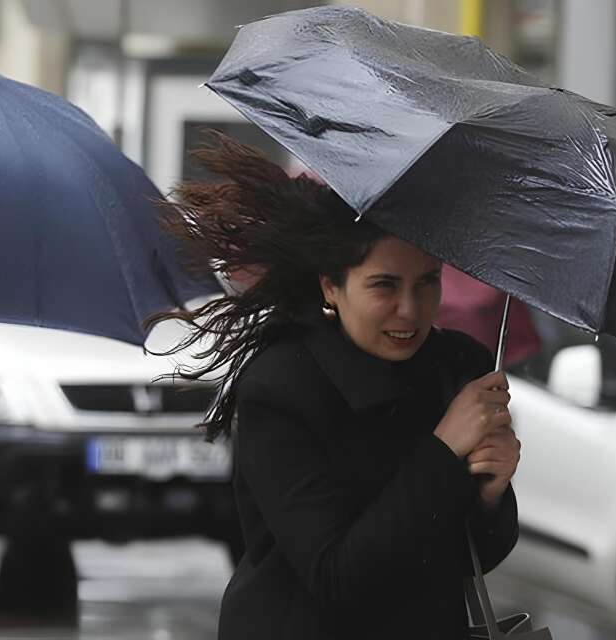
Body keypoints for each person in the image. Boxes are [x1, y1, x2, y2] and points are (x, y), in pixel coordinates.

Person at [150, 136, 521, 639]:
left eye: (427, 282)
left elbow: (470, 555)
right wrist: (444, 447)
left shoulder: (460, 367)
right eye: (384, 285)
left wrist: (491, 494)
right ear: (331, 285)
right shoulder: (281, 385)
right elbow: (337, 576)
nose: (410, 310)